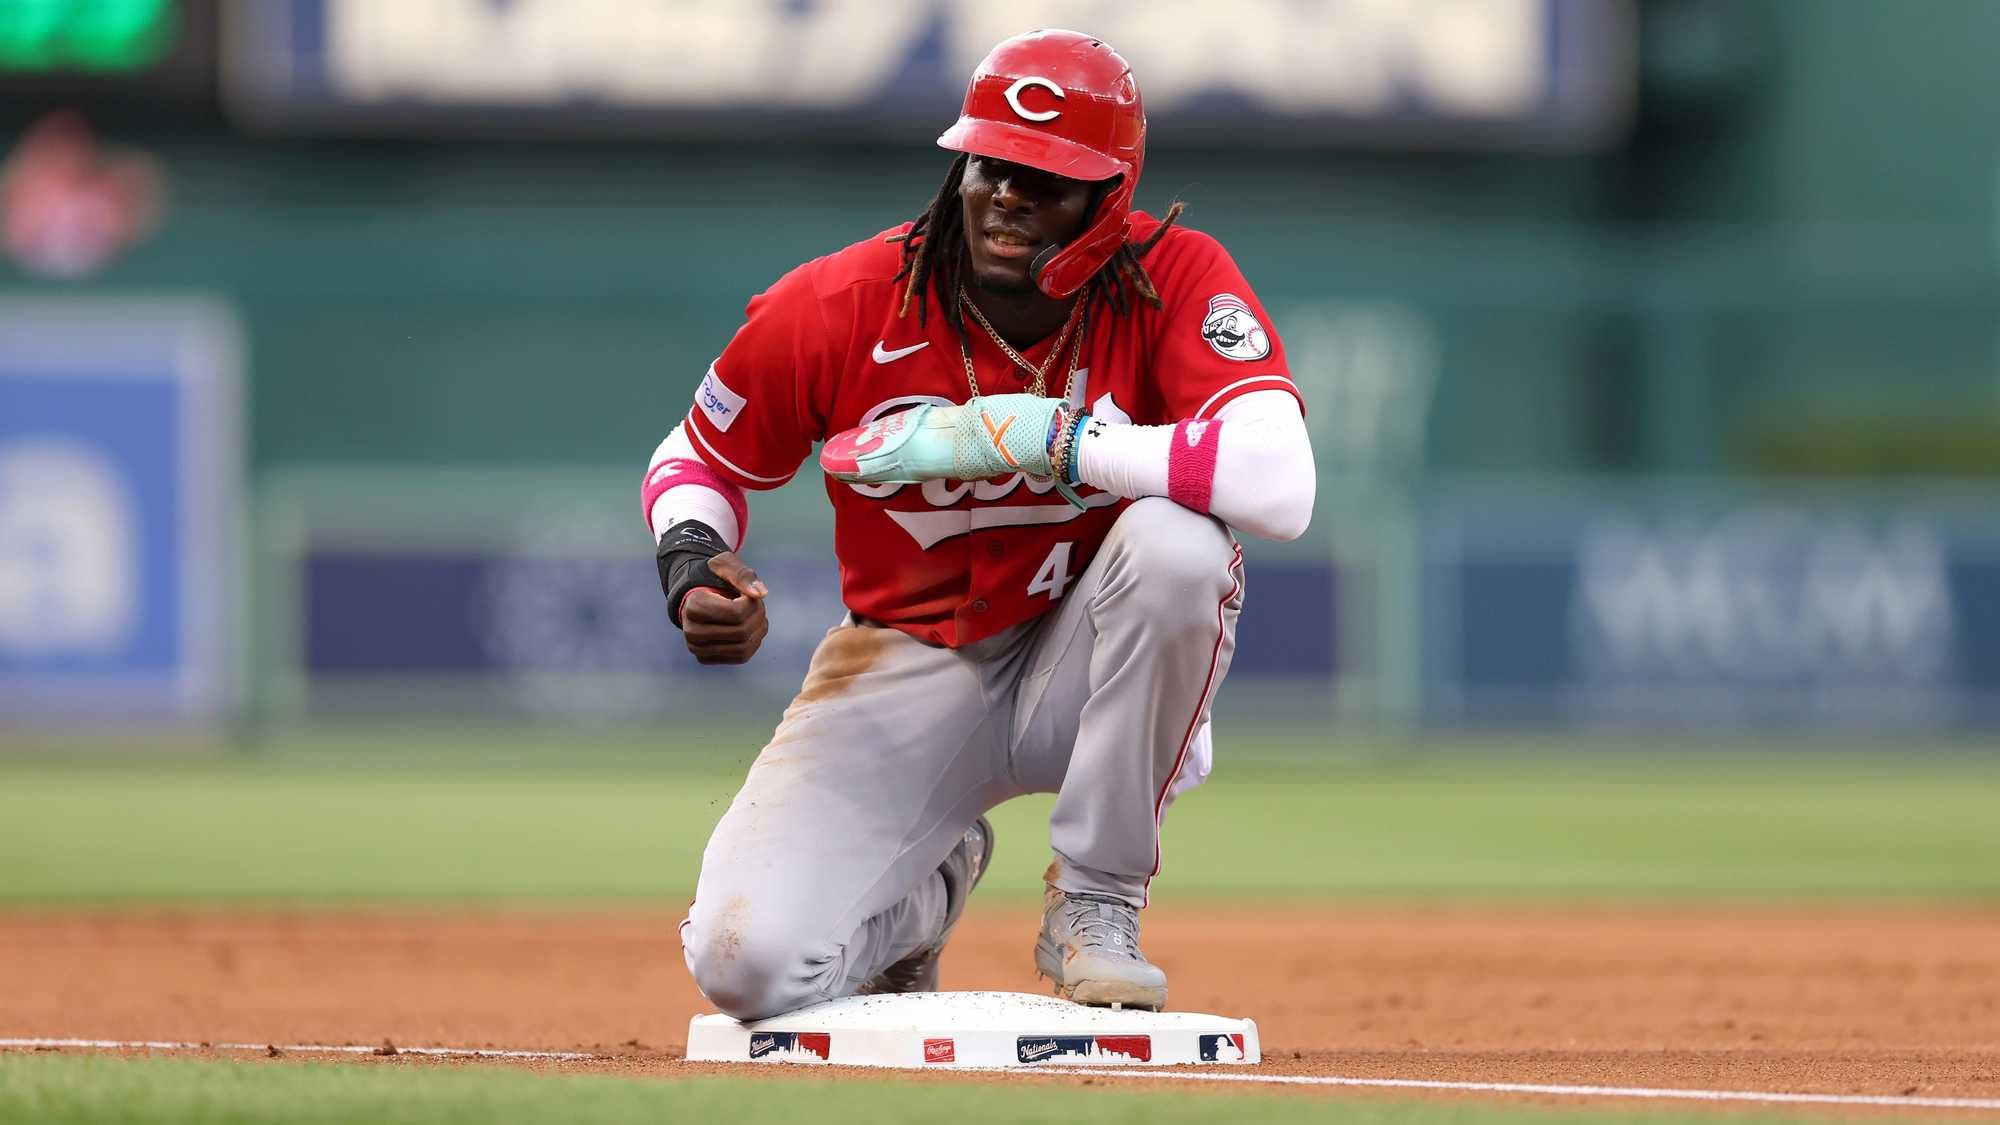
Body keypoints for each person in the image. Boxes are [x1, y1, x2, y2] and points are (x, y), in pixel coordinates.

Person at [644, 29, 1314, 1020]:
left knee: (1181, 546)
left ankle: (1096, 900)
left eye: (1045, 179)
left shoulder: (1170, 275)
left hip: (1083, 669)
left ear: (1108, 198)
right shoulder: (843, 302)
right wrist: (693, 557)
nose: (1007, 194)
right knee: (747, 966)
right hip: (904, 663)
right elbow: (698, 456)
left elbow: (1281, 483)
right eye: (989, 165)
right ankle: (925, 892)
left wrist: (1056, 440)